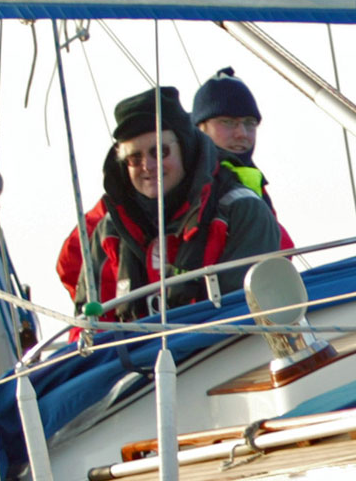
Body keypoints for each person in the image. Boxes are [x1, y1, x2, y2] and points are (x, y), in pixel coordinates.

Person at [56, 86, 283, 319]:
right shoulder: (109, 229)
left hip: (225, 350)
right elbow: (89, 329)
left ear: (185, 149)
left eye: (160, 152)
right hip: (137, 353)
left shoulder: (242, 210)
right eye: (135, 158)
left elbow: (247, 312)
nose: (148, 166)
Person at [192, 68, 297, 250]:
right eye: (227, 122)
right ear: (201, 127)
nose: (242, 133)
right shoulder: (190, 179)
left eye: (249, 123)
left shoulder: (251, 178)